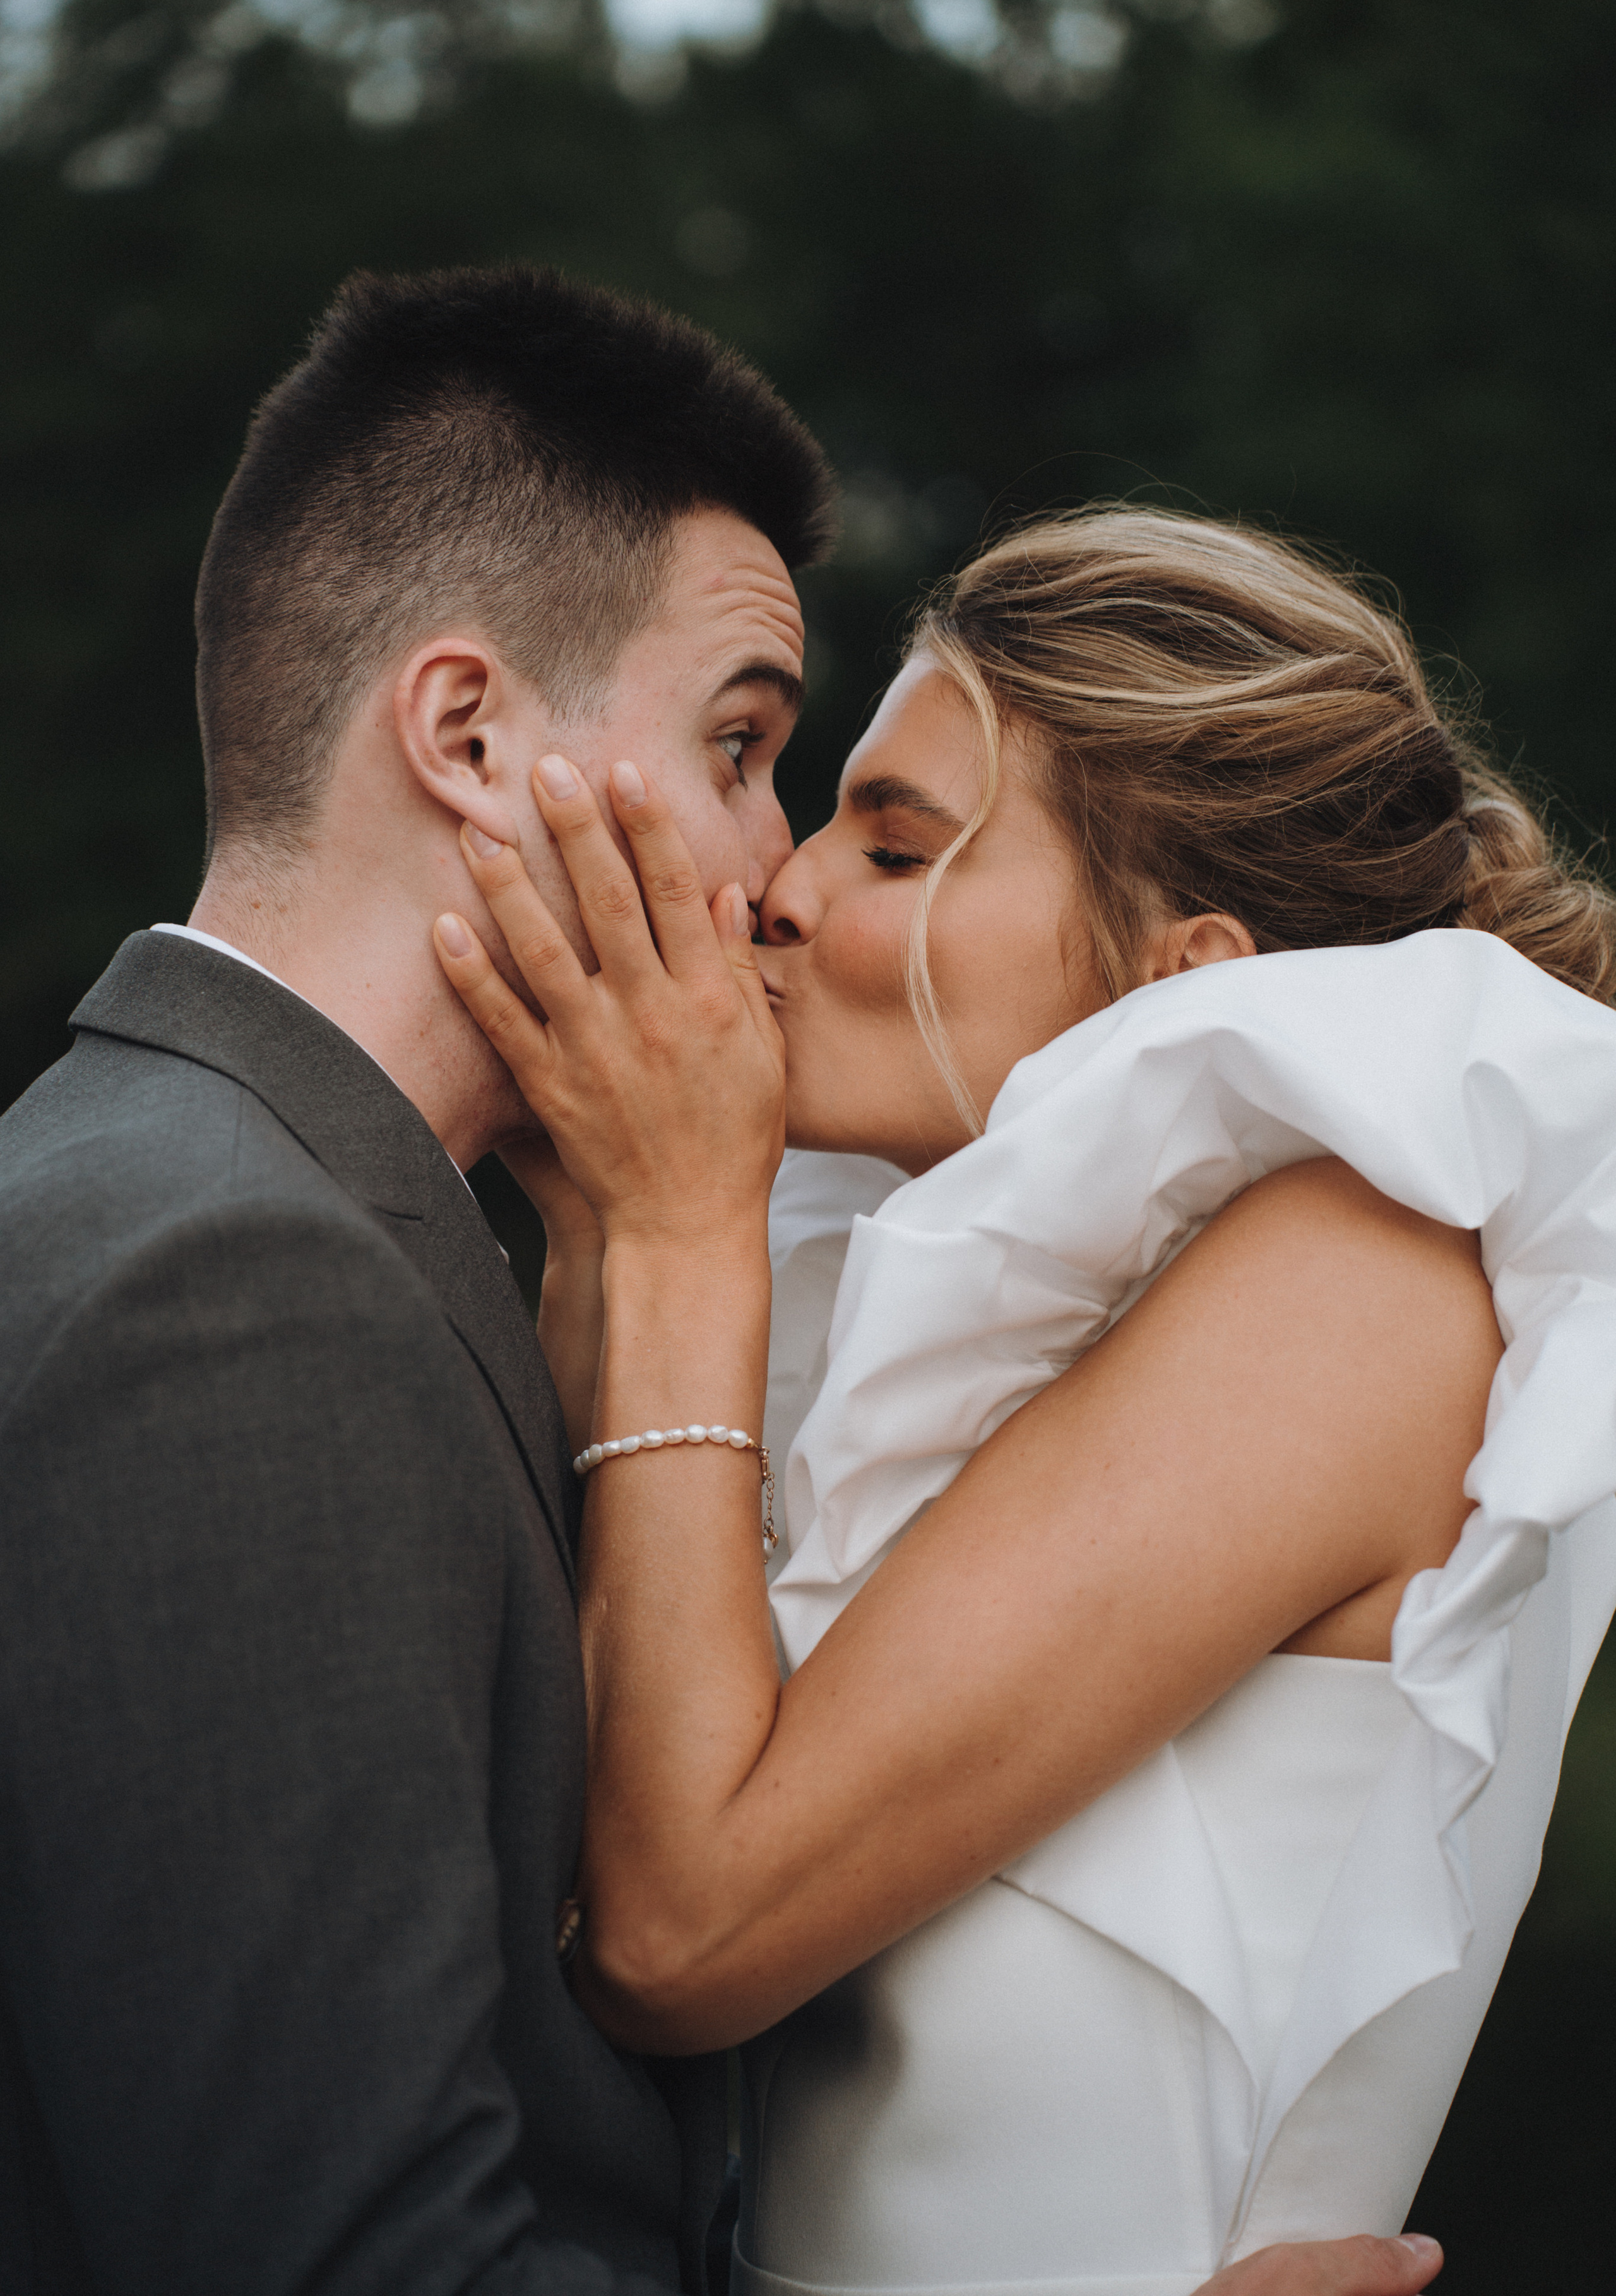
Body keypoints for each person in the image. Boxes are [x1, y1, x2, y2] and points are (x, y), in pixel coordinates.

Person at [0, 263, 1424, 2296]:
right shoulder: (233, 1289)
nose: (773, 872)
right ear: (472, 737)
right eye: (747, 746)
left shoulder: (223, 1203)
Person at [435, 508, 1616, 2296]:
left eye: (898, 851)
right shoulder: (1049, 1337)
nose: (784, 889)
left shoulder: (1366, 1287)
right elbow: (569, 1856)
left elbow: (677, 1937)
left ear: (1185, 978)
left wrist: (677, 1231)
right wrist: (604, 1231)